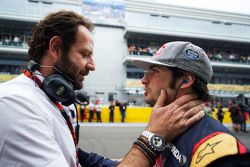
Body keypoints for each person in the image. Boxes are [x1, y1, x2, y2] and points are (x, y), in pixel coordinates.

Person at [0, 11, 205, 167]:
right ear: (55, 47)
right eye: (84, 54)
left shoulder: (55, 99)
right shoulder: (15, 104)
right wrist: (152, 138)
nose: (92, 65)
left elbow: (73, 157)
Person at [129, 41, 248, 167]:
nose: (144, 80)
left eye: (154, 71)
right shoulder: (165, 126)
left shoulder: (220, 149)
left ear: (185, 80)